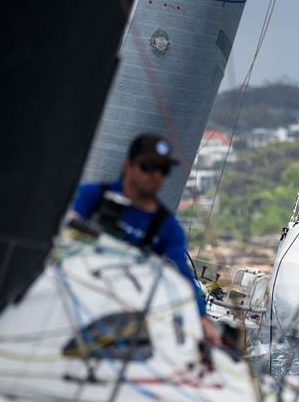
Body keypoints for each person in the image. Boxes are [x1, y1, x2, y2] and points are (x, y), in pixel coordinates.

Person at [71, 133, 220, 343]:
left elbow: (183, 277)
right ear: (128, 166)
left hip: (118, 312)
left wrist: (202, 318)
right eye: (148, 167)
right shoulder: (92, 196)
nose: (155, 175)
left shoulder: (167, 227)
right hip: (73, 291)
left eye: (163, 169)